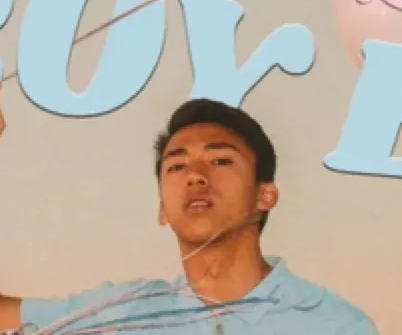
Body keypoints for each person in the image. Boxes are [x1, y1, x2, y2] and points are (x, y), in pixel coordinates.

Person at [0, 98, 380, 334]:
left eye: (220, 160)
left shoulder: (336, 324)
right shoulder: (121, 314)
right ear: (162, 209)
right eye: (177, 166)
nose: (196, 176)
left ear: (265, 195)